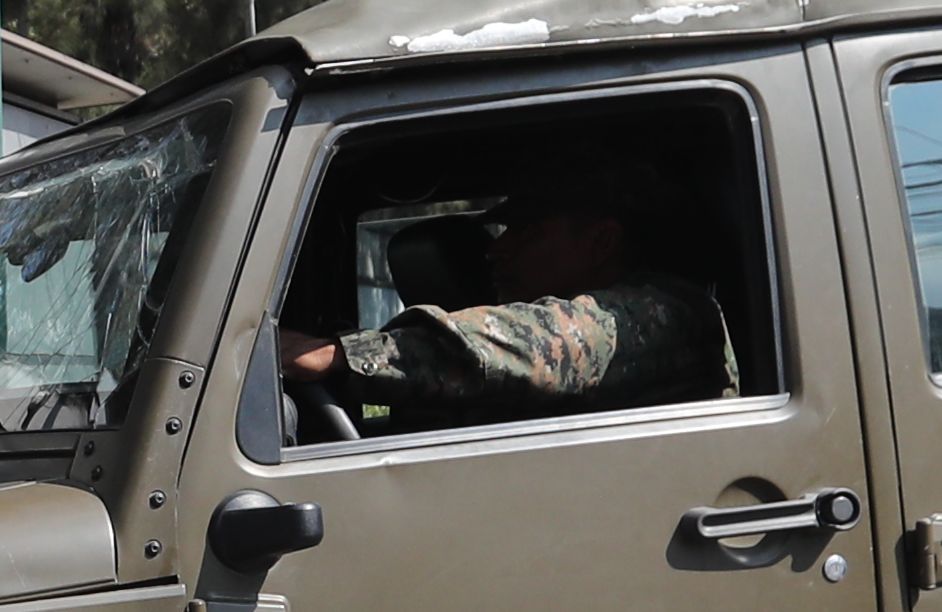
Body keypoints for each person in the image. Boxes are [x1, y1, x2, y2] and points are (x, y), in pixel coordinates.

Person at [283, 163, 724, 431]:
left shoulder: (659, 314)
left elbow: (541, 343)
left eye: (528, 231)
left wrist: (339, 355)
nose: (497, 248)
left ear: (601, 242)